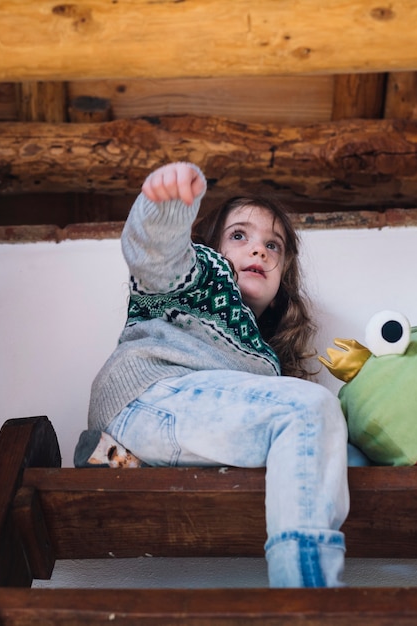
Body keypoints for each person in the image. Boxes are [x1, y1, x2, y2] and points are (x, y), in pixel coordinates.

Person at [85, 161, 350, 587]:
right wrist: (167, 207)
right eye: (240, 236)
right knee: (310, 408)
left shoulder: (263, 361)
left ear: (283, 276)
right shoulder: (200, 276)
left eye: (274, 246)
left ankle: (115, 455)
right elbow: (155, 253)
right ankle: (309, 596)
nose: (259, 250)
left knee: (317, 427)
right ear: (210, 246)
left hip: (175, 429)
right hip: (152, 393)